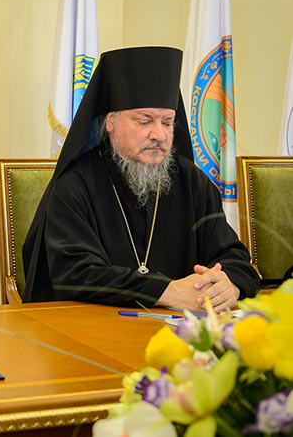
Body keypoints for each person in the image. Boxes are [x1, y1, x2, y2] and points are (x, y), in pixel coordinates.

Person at [22, 46, 259, 312]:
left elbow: (234, 257)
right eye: (145, 121)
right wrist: (164, 292)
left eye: (167, 122)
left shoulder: (193, 182)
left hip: (183, 330)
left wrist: (229, 283)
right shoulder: (75, 185)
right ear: (111, 122)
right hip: (98, 327)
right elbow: (74, 273)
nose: (159, 135)